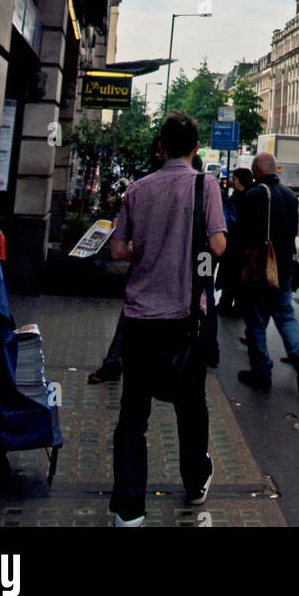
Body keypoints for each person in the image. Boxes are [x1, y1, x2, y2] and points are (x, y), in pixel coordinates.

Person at [107, 112, 226, 526]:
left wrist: (151, 248)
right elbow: (217, 243)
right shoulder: (204, 184)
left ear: (161, 146)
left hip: (139, 319)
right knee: (191, 405)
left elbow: (119, 251)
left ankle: (128, 509)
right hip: (185, 317)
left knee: (132, 414)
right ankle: (195, 483)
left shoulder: (137, 190)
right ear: (196, 148)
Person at [89, 136, 165, 384]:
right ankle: (120, 363)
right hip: (164, 272)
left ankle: (117, 363)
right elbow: (214, 246)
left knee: (134, 316)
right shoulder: (199, 187)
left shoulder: (143, 186)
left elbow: (120, 249)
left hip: (148, 269)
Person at [237, 154, 299, 397]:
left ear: (258, 170)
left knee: (256, 318)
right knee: (285, 315)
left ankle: (261, 371)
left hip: (261, 267)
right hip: (284, 268)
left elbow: (244, 233)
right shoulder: (290, 196)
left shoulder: (255, 195)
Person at [216, 167, 254, 315]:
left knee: (231, 275)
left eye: (234, 179)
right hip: (239, 245)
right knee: (236, 276)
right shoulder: (244, 196)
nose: (232, 182)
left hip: (235, 245)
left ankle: (226, 302)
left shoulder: (240, 198)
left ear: (241, 180)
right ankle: (235, 304)